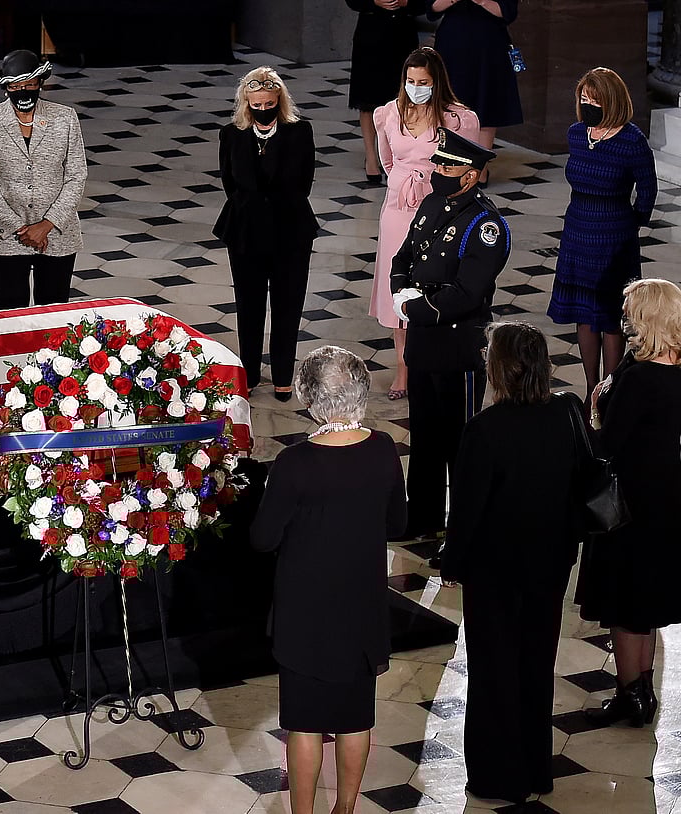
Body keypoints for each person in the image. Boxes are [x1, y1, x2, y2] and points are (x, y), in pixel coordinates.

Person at [250, 346, 406, 814]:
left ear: (308, 397)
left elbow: (262, 539)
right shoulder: (382, 450)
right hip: (361, 604)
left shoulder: (294, 463)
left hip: (304, 612)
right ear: (359, 391)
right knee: (356, 718)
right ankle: (346, 808)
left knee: (304, 723)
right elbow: (398, 525)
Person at [441, 322, 582, 803]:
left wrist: (452, 562)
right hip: (551, 563)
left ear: (499, 368)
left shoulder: (484, 431)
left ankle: (497, 778)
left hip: (496, 572)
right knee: (537, 667)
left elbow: (466, 511)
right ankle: (535, 771)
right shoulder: (567, 413)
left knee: (494, 671)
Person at [391, 127, 510, 542]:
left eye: (446, 165)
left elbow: (467, 293)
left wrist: (414, 307)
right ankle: (421, 516)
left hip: (458, 347)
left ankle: (462, 529)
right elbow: (403, 256)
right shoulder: (432, 204)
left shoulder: (485, 224)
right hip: (425, 343)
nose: (436, 170)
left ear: (471, 175)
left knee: (460, 444)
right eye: (437, 162)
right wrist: (399, 289)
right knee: (423, 436)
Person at [577, 279, 681, 728]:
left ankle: (629, 694)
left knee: (624, 605)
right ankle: (645, 688)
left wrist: (597, 409)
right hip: (669, 500)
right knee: (649, 602)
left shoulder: (637, 376)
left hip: (629, 504)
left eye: (628, 311)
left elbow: (608, 443)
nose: (623, 319)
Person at [370, 47, 480, 400]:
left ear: (437, 82)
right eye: (411, 81)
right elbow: (388, 160)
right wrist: (405, 186)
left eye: (424, 82)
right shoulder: (389, 113)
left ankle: (431, 356)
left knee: (432, 280)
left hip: (437, 207)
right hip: (397, 209)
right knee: (399, 284)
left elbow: (468, 167)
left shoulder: (458, 118)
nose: (417, 87)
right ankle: (402, 367)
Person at [547, 67, 657, 401]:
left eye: (594, 100)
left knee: (610, 314)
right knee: (584, 311)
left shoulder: (631, 140)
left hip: (614, 233)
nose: (588, 105)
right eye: (583, 99)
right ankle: (589, 385)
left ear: (611, 101)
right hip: (578, 227)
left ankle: (609, 390)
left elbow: (648, 189)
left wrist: (631, 221)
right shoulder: (577, 134)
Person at [214, 66, 317, 402]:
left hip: (290, 228)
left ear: (279, 101)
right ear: (246, 104)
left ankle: (284, 376)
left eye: (268, 103)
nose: (262, 110)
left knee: (288, 304)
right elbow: (229, 181)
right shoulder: (231, 134)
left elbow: (304, 181)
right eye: (255, 105)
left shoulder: (299, 132)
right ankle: (251, 373)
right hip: (245, 229)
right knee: (249, 304)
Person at [0, 50, 87, 310]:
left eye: (30, 85)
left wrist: (46, 225)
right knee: (11, 315)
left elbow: (77, 175)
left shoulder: (65, 118)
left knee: (53, 315)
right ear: (6, 88)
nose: (24, 91)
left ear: (40, 83)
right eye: (16, 86)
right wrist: (20, 229)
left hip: (58, 235)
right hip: (5, 238)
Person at [427, 0, 522, 180]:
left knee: (486, 105)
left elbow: (508, 12)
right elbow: (431, 8)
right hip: (452, 43)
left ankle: (480, 169)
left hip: (489, 45)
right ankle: (450, 164)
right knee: (450, 105)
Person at [344, 0, 427, 184]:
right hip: (371, 32)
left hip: (403, 33)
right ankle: (371, 157)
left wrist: (406, 2)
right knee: (368, 99)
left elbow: (425, 4)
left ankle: (400, 153)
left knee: (405, 98)